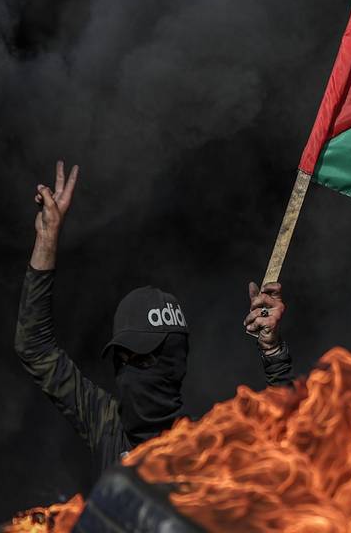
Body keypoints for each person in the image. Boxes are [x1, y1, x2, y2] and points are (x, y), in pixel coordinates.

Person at [15, 161, 294, 468]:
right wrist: (47, 239)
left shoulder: (210, 446)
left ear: (174, 361)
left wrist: (272, 351)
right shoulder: (107, 424)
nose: (131, 372)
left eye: (144, 358)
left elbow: (287, 437)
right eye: (123, 360)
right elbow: (35, 348)